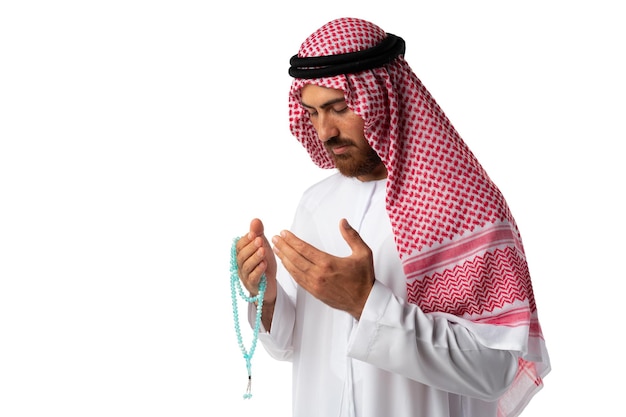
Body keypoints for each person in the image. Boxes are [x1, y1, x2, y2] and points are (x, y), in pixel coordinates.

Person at [235, 17, 550, 417]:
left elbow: (495, 369)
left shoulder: (463, 204)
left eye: (340, 108)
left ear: (383, 96)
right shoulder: (315, 203)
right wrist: (268, 295)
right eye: (313, 113)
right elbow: (292, 344)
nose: (325, 131)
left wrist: (367, 304)